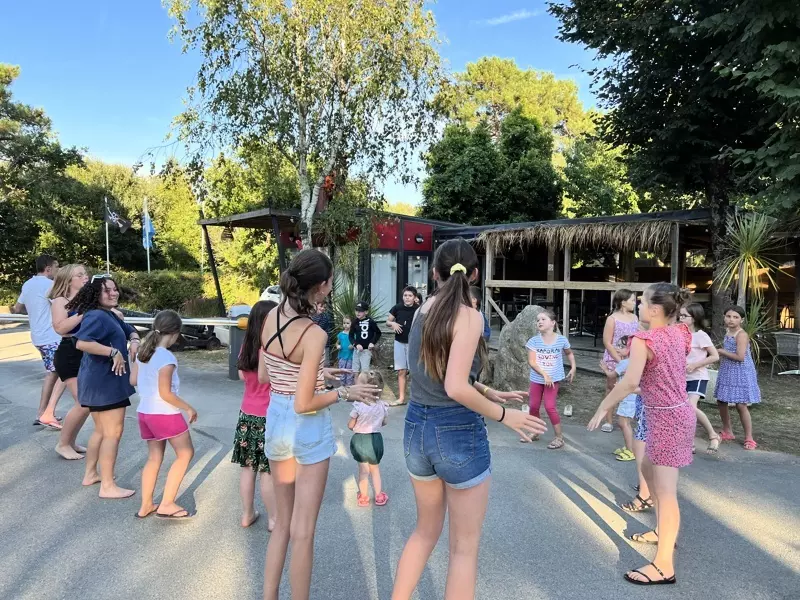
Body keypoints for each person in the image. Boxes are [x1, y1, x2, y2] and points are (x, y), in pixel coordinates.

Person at [392, 238, 547, 600]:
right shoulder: (470, 316)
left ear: (435, 273)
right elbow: (454, 386)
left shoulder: (422, 309)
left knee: (424, 532)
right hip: (456, 430)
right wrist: (506, 416)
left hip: (416, 427)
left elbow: (440, 373)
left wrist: (488, 392)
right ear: (475, 275)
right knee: (464, 548)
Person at [259, 250, 381, 600]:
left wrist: (315, 372)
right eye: (330, 284)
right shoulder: (312, 333)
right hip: (306, 427)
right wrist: (344, 391)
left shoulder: (269, 316)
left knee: (282, 525)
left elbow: (268, 374)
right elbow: (304, 403)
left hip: (276, 420)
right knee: (303, 531)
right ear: (323, 286)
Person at [589, 282, 695, 586]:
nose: (638, 306)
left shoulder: (643, 339)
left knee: (666, 492)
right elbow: (656, 374)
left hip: (667, 418)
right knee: (648, 470)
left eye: (643, 302)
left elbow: (629, 382)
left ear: (655, 309)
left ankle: (664, 566)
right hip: (666, 414)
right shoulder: (679, 332)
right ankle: (662, 531)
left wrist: (603, 407)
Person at [69, 275, 141, 499]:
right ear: (95, 295)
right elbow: (82, 342)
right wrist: (113, 352)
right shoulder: (96, 316)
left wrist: (135, 340)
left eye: (114, 289)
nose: (113, 293)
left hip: (100, 381)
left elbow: (128, 328)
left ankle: (91, 474)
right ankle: (108, 486)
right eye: (107, 290)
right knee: (113, 433)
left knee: (101, 431)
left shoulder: (108, 314)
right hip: (105, 382)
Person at [129, 310, 197, 519]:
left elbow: (133, 380)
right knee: (185, 454)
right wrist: (188, 408)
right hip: (164, 413)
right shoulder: (166, 357)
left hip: (145, 412)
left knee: (154, 457)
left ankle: (146, 504)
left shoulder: (143, 352)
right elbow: (165, 394)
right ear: (175, 333)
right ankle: (167, 503)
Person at [232, 300, 278, 529]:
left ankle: (247, 514)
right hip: (268, 415)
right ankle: (273, 519)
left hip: (246, 413)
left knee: (247, 467)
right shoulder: (271, 349)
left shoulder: (246, 346)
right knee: (267, 471)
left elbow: (242, 376)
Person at [12, 254, 66, 428]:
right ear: (48, 269)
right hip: (52, 336)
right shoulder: (49, 285)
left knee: (56, 372)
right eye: (56, 266)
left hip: (38, 336)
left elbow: (18, 308)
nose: (58, 270)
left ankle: (45, 413)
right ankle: (44, 413)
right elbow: (64, 305)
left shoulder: (28, 284)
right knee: (60, 372)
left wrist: (35, 311)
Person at [49, 264, 91, 460]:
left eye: (85, 274)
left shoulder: (87, 300)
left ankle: (71, 441)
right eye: (79, 275)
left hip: (86, 352)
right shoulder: (60, 301)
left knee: (87, 403)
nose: (85, 277)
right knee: (83, 402)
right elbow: (60, 328)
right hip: (69, 353)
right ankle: (63, 444)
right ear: (68, 280)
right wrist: (83, 314)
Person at [523, 310, 576, 449]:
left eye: (543, 319)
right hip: (537, 379)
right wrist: (544, 375)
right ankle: (535, 432)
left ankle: (559, 437)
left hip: (553, 379)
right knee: (533, 406)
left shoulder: (561, 340)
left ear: (553, 323)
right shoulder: (534, 341)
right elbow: (532, 362)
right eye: (538, 320)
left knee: (549, 406)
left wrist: (573, 367)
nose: (539, 322)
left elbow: (569, 353)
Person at [715, 305, 761, 450]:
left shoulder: (741, 335)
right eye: (728, 316)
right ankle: (727, 430)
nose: (731, 320)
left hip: (741, 371)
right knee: (721, 400)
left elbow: (740, 357)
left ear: (741, 320)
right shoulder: (728, 332)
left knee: (741, 404)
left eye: (735, 317)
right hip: (727, 369)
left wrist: (721, 351)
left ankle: (749, 438)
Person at [679, 303, 721, 454]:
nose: (681, 318)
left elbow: (715, 356)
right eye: (680, 315)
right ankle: (689, 442)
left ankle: (713, 435)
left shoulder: (701, 335)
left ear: (694, 317)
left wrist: (695, 365)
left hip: (697, 377)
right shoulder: (679, 334)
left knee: (690, 407)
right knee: (684, 410)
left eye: (684, 316)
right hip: (680, 378)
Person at [348, 370, 389, 507]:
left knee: (363, 471)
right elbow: (384, 422)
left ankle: (364, 497)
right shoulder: (382, 406)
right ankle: (379, 496)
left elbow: (350, 425)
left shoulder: (358, 406)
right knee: (375, 470)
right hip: (376, 440)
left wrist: (356, 426)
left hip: (360, 440)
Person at [600, 289, 639, 432]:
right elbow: (607, 342)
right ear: (623, 302)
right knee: (611, 388)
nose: (634, 303)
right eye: (632, 300)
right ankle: (608, 421)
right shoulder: (612, 319)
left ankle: (625, 420)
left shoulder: (635, 318)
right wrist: (620, 361)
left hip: (630, 358)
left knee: (629, 389)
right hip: (613, 358)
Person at [387, 286, 418, 406]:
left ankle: (416, 398)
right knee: (401, 371)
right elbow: (388, 321)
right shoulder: (397, 307)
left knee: (414, 372)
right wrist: (393, 324)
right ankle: (401, 398)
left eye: (410, 296)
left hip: (413, 343)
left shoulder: (418, 309)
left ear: (414, 297)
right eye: (405, 295)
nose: (407, 298)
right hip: (399, 342)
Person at [612, 337, 637, 462]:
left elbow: (611, 375)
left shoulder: (625, 363)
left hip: (628, 398)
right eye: (617, 345)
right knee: (625, 423)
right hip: (631, 397)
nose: (618, 348)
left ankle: (630, 451)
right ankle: (629, 447)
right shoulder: (634, 362)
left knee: (623, 423)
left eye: (622, 347)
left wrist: (605, 369)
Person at [350, 301, 381, 373]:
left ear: (366, 312)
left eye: (360, 311)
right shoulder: (354, 322)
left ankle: (363, 380)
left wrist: (372, 342)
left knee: (365, 372)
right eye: (356, 310)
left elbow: (378, 333)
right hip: (356, 350)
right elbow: (350, 335)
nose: (358, 312)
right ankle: (356, 380)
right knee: (355, 371)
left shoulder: (371, 322)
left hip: (366, 350)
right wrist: (356, 344)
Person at [310, 300, 333, 367]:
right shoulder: (311, 316)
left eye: (324, 307)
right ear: (316, 306)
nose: (322, 308)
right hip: (313, 342)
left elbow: (326, 331)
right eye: (321, 306)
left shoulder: (325, 318)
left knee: (325, 363)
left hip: (324, 343)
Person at [335, 316, 355, 386]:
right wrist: (337, 346)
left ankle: (349, 387)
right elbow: (337, 343)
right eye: (344, 323)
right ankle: (342, 386)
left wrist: (353, 345)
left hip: (350, 357)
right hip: (342, 356)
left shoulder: (353, 334)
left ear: (351, 324)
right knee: (342, 372)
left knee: (349, 372)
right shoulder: (340, 334)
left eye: (347, 323)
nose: (345, 325)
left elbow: (356, 343)